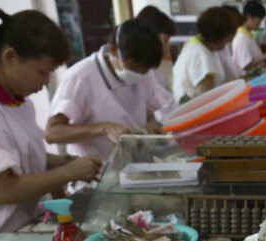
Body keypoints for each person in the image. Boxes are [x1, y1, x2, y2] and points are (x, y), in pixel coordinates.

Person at [0, 8, 101, 241]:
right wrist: (70, 172)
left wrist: (66, 162)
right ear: (10, 57)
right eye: (42, 72)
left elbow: (20, 155)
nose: (44, 83)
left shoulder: (16, 102)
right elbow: (2, 189)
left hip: (24, 226)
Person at [46, 19, 174, 161]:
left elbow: (150, 111)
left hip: (135, 163)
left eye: (144, 70)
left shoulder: (144, 72)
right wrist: (104, 128)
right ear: (114, 51)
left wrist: (151, 124)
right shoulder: (80, 77)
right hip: (96, 170)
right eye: (134, 66)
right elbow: (52, 133)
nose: (139, 73)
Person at [172, 6, 240, 102]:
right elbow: (205, 96)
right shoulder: (199, 53)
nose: (225, 45)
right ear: (218, 38)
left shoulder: (198, 45)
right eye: (226, 41)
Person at [136, 5, 176, 90]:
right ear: (151, 37)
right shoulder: (143, 70)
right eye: (165, 40)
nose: (168, 46)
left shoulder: (162, 62)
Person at [232, 1, 266, 73]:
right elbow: (246, 65)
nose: (259, 24)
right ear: (249, 17)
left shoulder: (247, 35)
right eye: (259, 20)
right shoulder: (241, 38)